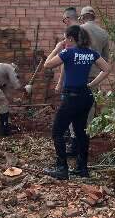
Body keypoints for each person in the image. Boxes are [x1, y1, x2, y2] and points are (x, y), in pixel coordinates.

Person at [42, 25, 110, 180]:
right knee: (81, 132)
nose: (64, 41)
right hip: (86, 97)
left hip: (71, 98)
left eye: (65, 38)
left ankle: (62, 168)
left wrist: (56, 48)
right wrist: (91, 84)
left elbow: (47, 64)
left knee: (57, 132)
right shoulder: (91, 53)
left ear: (71, 39)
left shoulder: (68, 52)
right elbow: (107, 69)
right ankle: (82, 169)